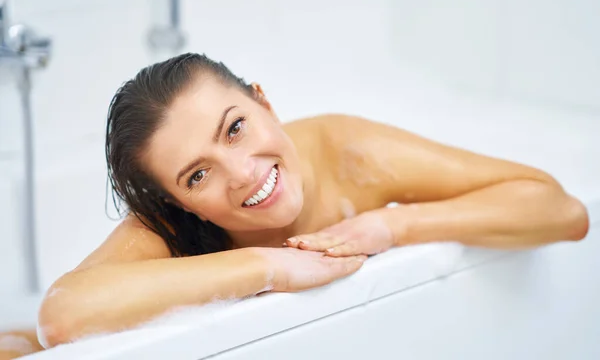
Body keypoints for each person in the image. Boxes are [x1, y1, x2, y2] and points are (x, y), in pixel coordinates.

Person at [32, 52, 588, 350]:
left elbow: (561, 212)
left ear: (265, 102)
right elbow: (60, 317)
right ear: (181, 204)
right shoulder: (168, 227)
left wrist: (390, 227)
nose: (244, 173)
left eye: (235, 129)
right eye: (198, 176)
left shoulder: (348, 153)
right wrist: (268, 266)